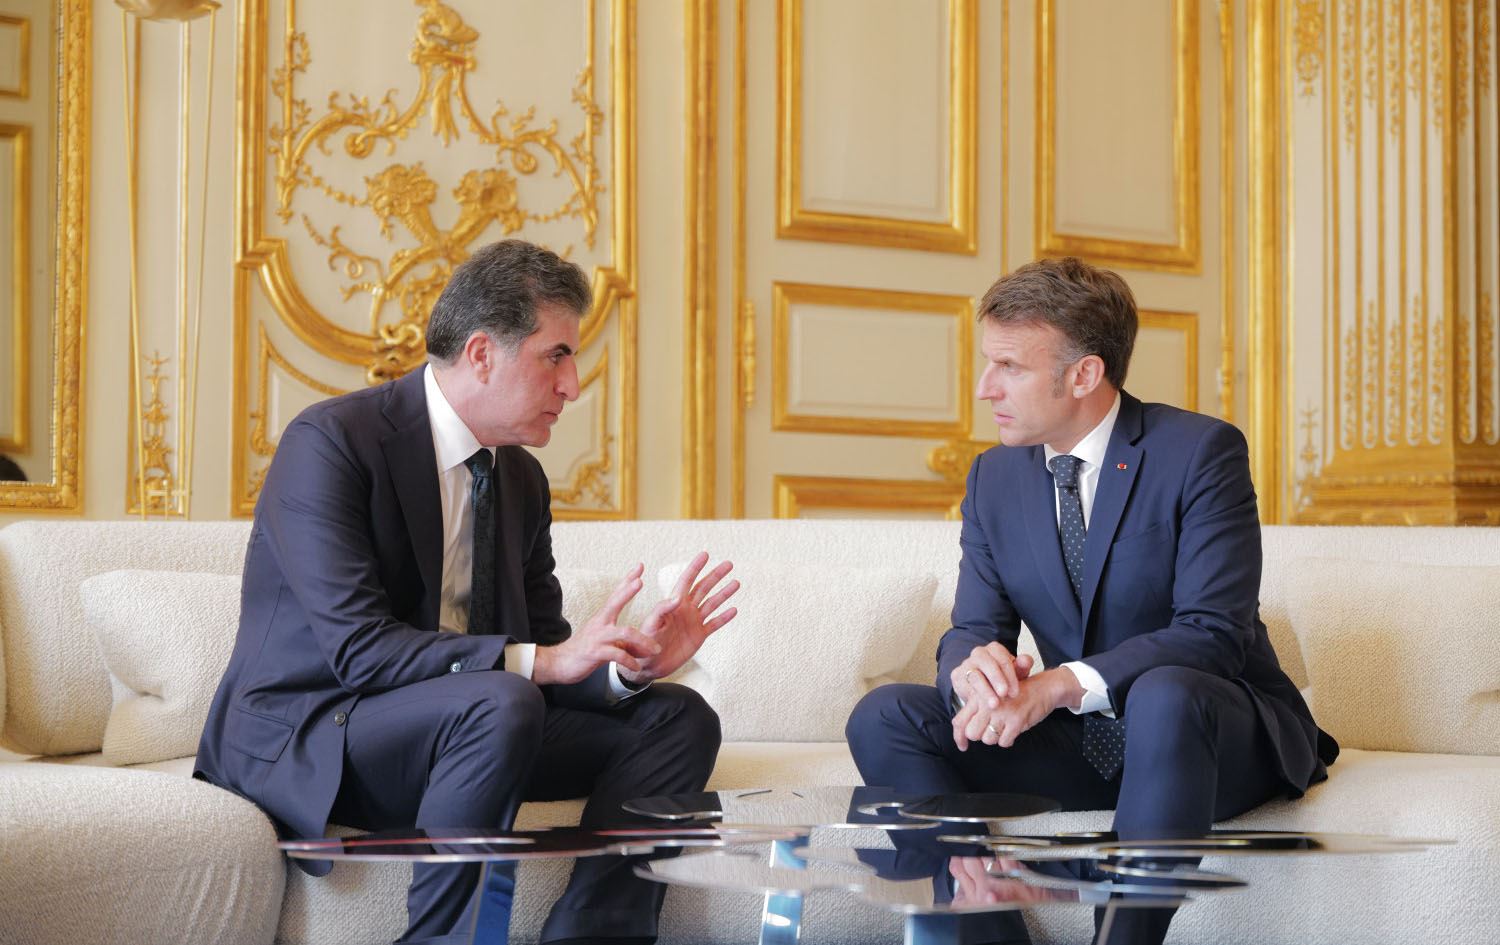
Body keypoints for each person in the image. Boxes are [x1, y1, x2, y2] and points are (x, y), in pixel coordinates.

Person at [196, 239, 738, 945]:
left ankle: (593, 935)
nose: (574, 385)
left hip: (477, 727)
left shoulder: (521, 477)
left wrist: (623, 668)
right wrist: (542, 664)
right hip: (320, 727)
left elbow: (542, 649)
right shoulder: (331, 443)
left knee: (679, 717)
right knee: (503, 698)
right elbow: (360, 650)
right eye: (556, 356)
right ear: (482, 353)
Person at [845, 257, 1338, 945]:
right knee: (886, 716)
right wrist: (972, 669)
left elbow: (1213, 634)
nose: (986, 388)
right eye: (988, 363)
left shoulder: (1200, 452)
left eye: (1009, 366)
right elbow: (973, 626)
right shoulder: (994, 477)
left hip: (1208, 735)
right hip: (1086, 743)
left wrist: (1056, 685)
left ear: (1084, 374)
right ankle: (991, 934)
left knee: (1165, 692)